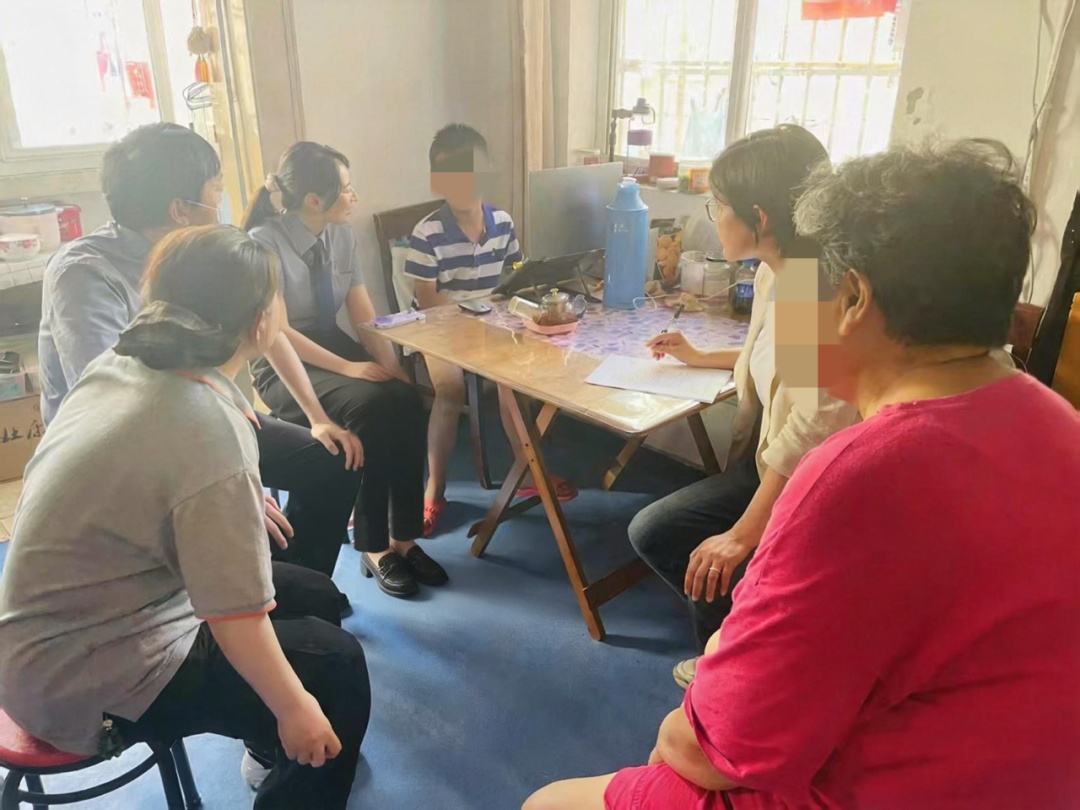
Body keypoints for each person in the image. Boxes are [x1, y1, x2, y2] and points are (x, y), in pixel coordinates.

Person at [523, 140, 1080, 810]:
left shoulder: (860, 474)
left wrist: (683, 724)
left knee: (550, 800)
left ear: (853, 299)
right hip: (1016, 772)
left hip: (883, 784)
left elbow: (712, 751)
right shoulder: (1059, 422)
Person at [0, 226, 372, 809]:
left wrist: (226, 497)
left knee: (316, 595)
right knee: (338, 669)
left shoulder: (126, 359)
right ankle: (292, 752)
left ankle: (274, 748)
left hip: (50, 636)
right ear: (260, 323)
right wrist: (295, 707)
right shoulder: (206, 428)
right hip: (83, 684)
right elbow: (235, 617)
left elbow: (156, 471)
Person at [37, 123, 362, 583]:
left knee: (330, 460)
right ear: (180, 210)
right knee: (236, 508)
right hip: (124, 453)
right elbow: (117, 408)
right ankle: (265, 597)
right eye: (215, 190)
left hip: (199, 415)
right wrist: (226, 479)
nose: (221, 202)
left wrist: (316, 417)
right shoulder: (84, 274)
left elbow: (268, 329)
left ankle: (295, 589)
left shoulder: (203, 252)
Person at [631, 125, 858, 680]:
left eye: (718, 206)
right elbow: (779, 357)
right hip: (768, 459)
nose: (713, 217)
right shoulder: (780, 273)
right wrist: (698, 355)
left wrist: (742, 534)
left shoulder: (811, 288)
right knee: (660, 532)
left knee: (667, 536)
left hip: (804, 485)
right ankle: (736, 649)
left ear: (759, 217)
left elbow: (816, 424)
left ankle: (738, 669)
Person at [244, 142, 447, 599]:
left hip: (330, 343)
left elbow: (362, 313)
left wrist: (391, 367)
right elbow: (278, 331)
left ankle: (404, 537)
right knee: (370, 407)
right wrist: (349, 370)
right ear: (314, 200)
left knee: (405, 397)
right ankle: (374, 546)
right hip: (282, 362)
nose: (354, 196)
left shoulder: (341, 235)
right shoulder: (264, 242)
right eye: (347, 188)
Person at [403, 124, 576, 536]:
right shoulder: (427, 233)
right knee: (449, 389)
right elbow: (427, 300)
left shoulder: (502, 221)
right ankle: (435, 488)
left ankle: (526, 471)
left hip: (492, 321)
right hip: (441, 326)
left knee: (513, 382)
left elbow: (514, 277)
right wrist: (474, 322)